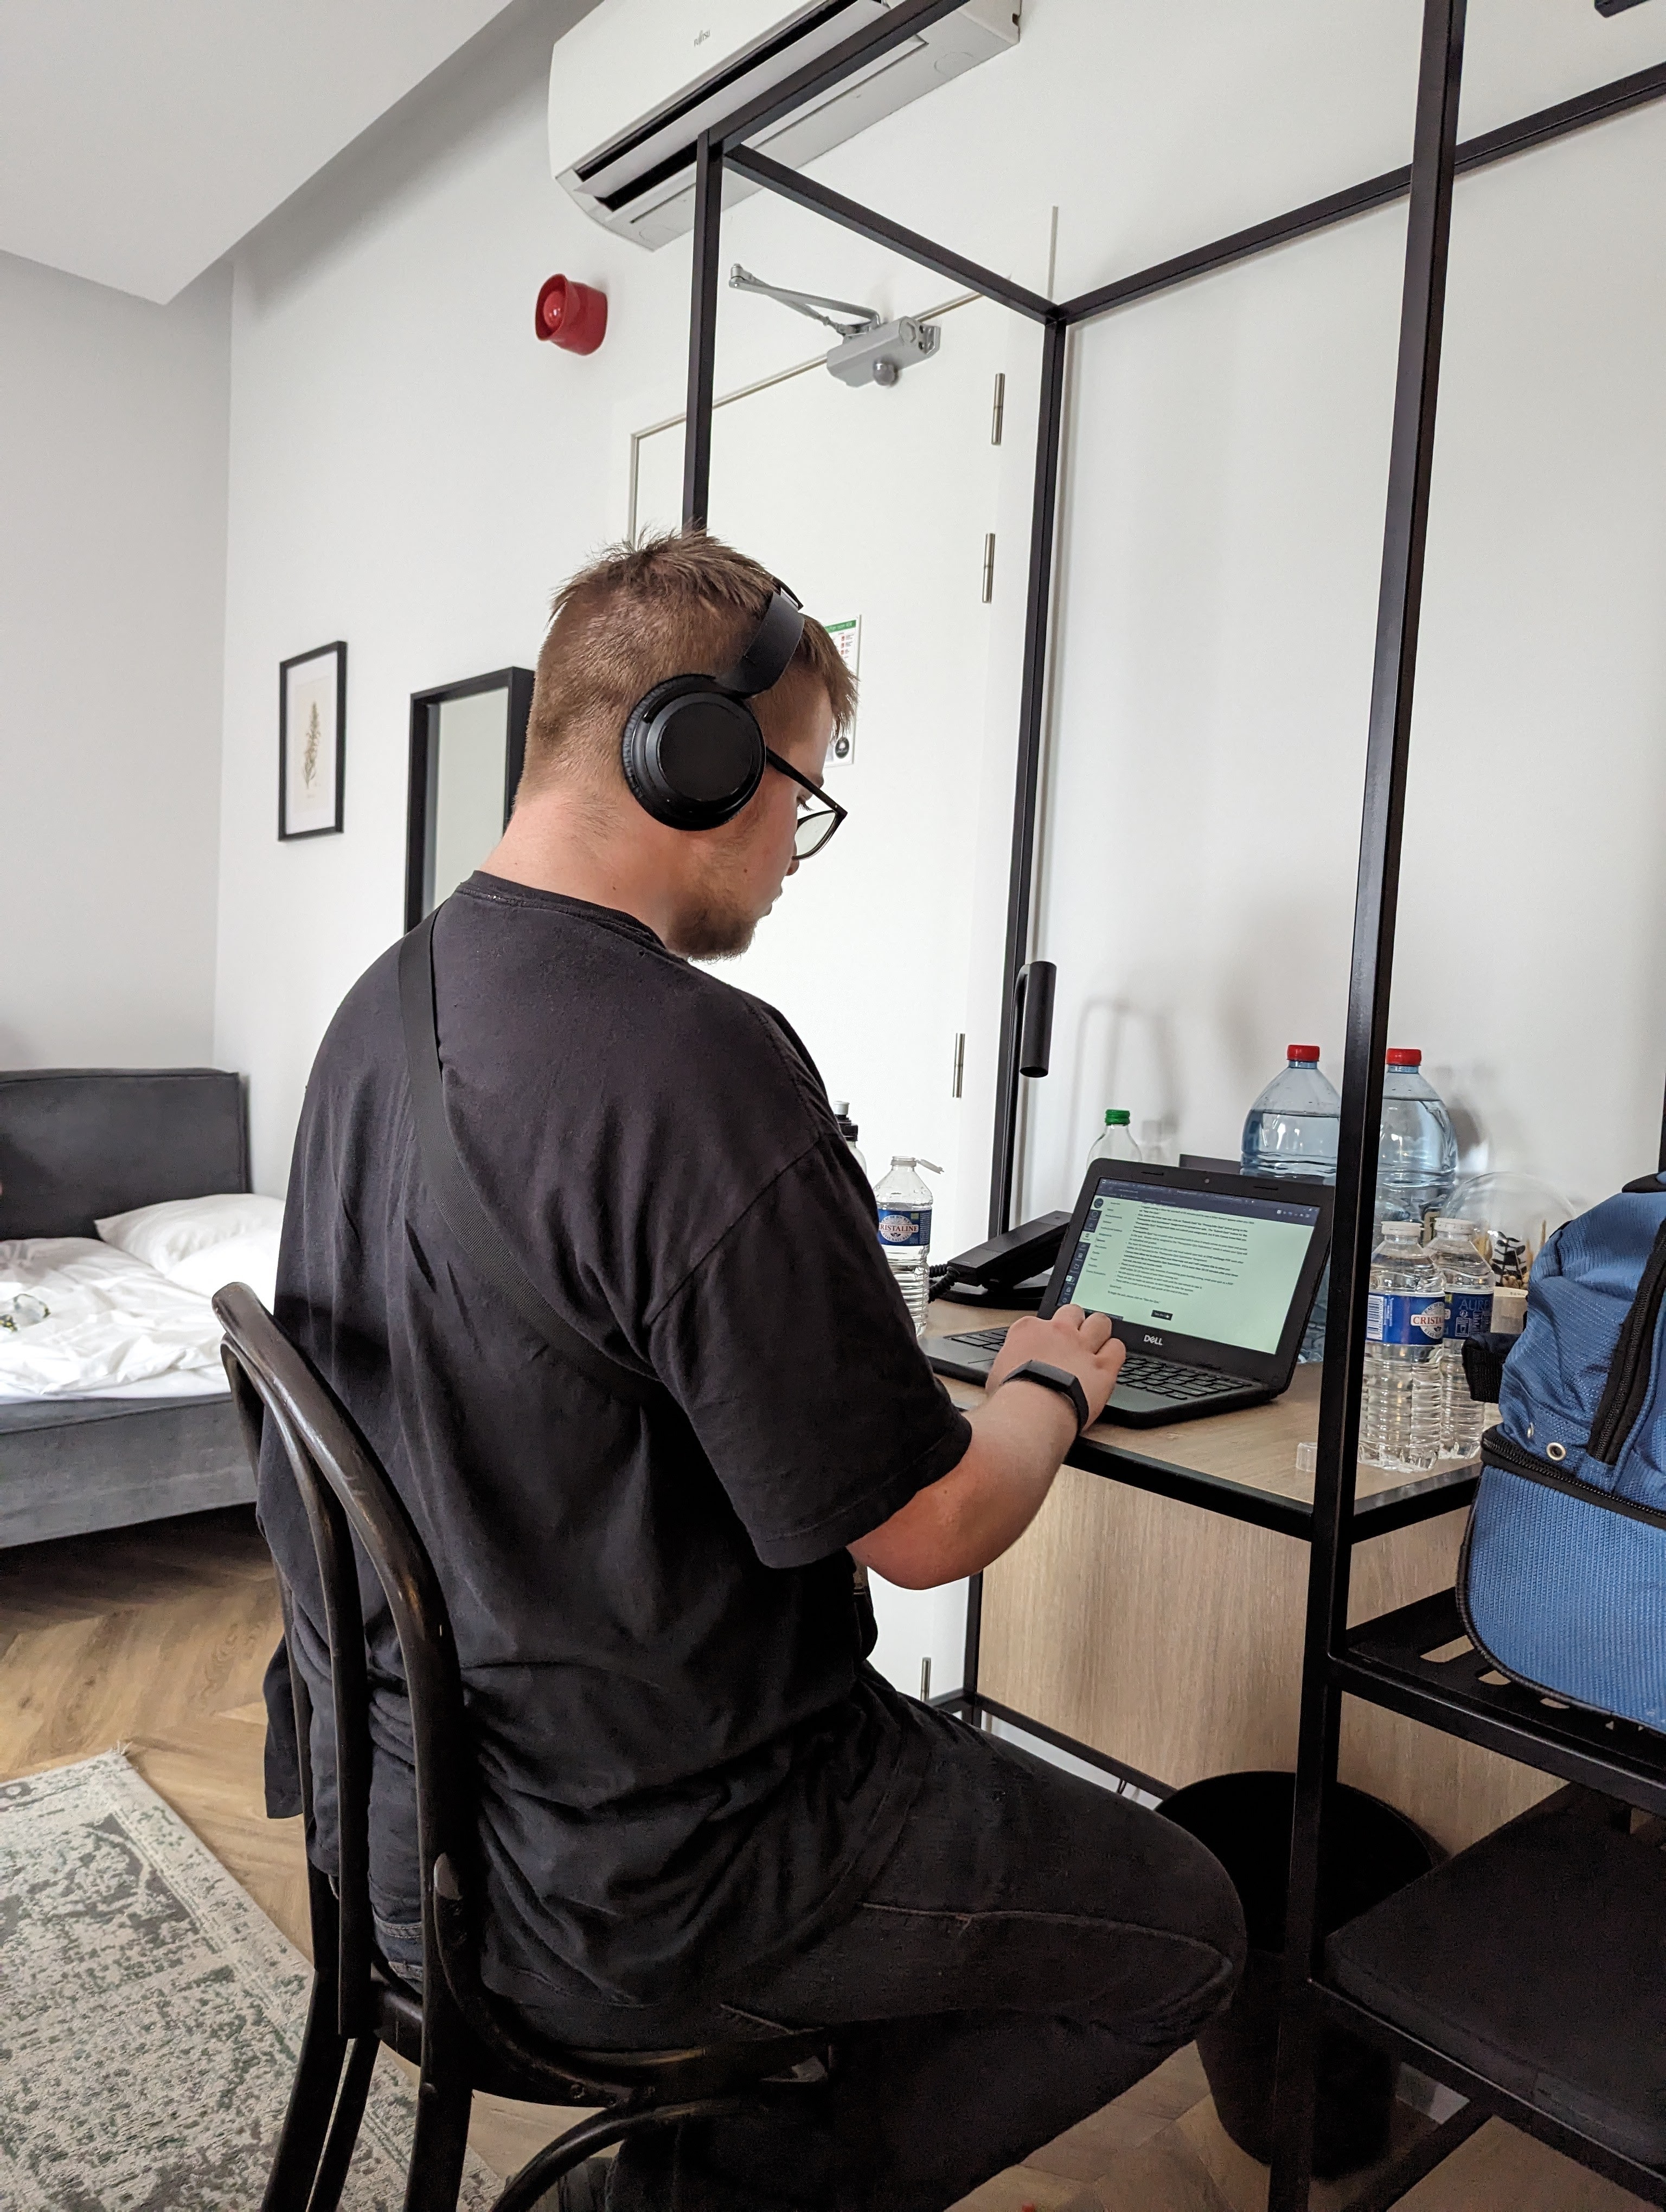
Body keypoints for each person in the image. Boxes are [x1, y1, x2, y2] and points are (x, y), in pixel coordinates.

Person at [258, 531, 1244, 2212]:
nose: (797, 844)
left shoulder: (383, 1002)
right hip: (651, 1881)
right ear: (695, 757)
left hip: (401, 1830)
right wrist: (1045, 1386)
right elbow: (928, 1533)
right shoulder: (697, 1066)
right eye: (802, 789)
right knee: (1190, 1927)